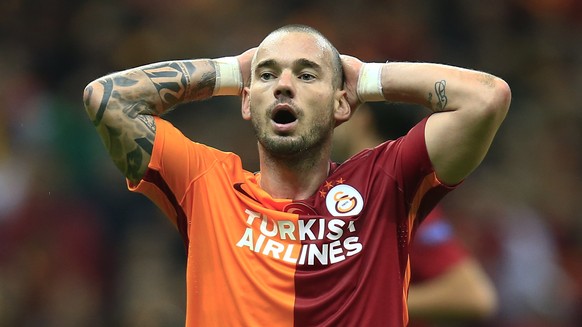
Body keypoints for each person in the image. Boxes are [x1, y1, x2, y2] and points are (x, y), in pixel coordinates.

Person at [83, 24, 510, 326]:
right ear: (247, 102)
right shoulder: (206, 183)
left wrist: (367, 78)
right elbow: (107, 98)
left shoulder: (385, 183)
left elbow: (486, 98)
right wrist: (233, 71)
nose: (284, 85)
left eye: (307, 75)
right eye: (268, 75)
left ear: (342, 103)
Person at [332, 103, 498, 326]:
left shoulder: (397, 199)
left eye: (346, 107)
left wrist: (372, 302)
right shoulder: (346, 192)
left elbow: (474, 296)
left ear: (364, 119)